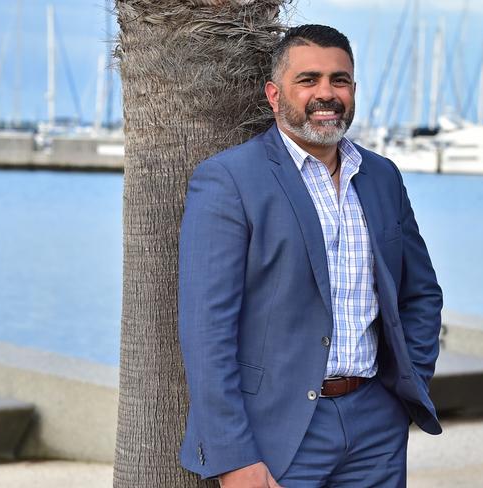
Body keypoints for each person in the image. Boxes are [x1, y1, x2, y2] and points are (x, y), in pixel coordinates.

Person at [178, 24, 443, 487]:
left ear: (353, 90)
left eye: (339, 80)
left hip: (374, 425)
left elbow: (420, 294)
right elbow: (206, 330)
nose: (327, 93)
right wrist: (233, 456)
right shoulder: (229, 180)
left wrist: (406, 388)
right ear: (275, 95)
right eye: (309, 80)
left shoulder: (381, 177)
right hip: (274, 433)